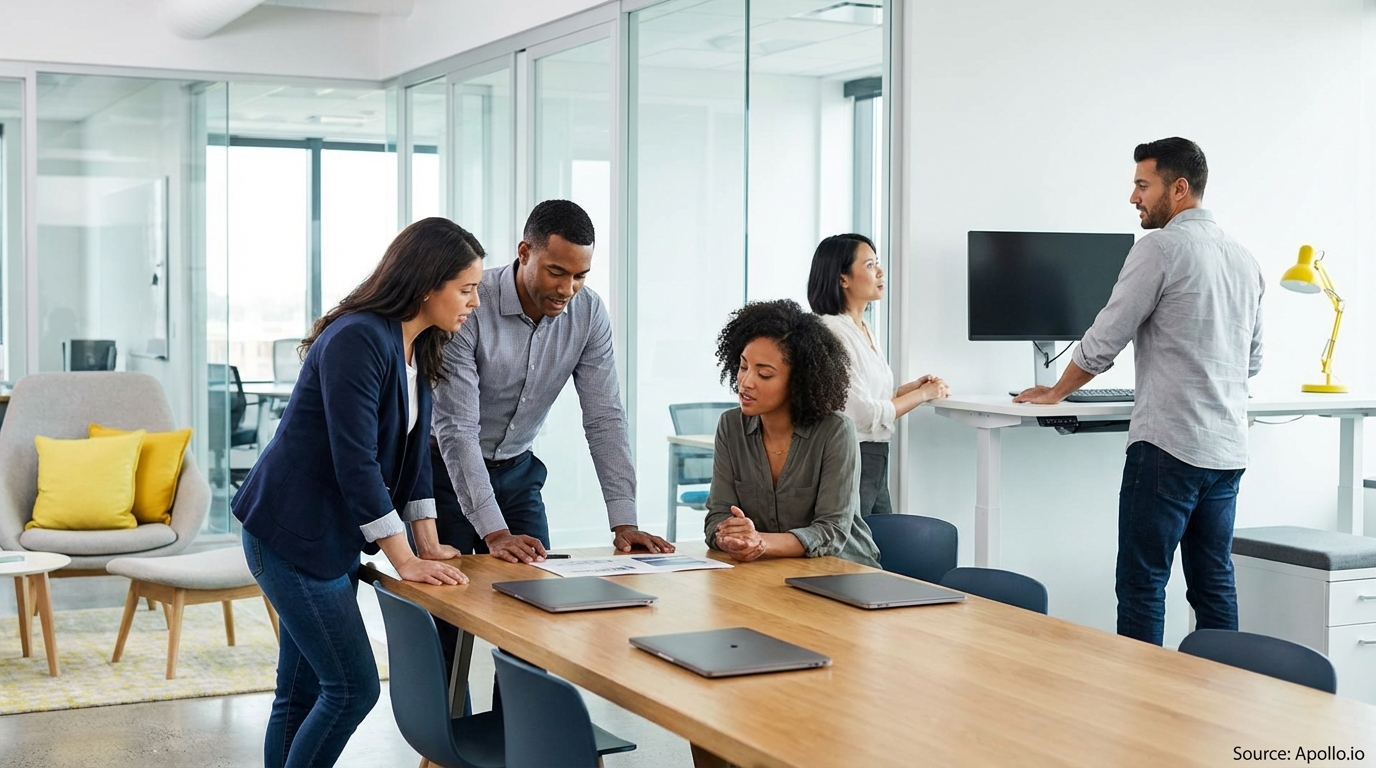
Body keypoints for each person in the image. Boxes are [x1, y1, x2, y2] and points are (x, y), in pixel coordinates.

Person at [233, 217, 480, 768]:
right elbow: (357, 461)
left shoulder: (417, 347)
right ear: (427, 284)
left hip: (330, 536)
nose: (476, 302)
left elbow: (414, 457)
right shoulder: (358, 338)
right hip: (289, 534)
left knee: (299, 694)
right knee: (352, 688)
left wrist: (427, 543)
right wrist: (404, 560)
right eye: (466, 289)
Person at [1014, 137, 1264, 646]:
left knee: (1143, 583)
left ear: (1179, 188)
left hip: (1169, 446)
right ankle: (1221, 686)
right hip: (1227, 451)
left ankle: (1142, 693)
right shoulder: (1244, 258)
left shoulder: (1159, 248)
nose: (1134, 197)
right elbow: (1252, 361)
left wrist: (1057, 391)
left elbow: (1106, 337)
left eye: (1142, 185)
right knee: (1213, 581)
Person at [430, 199, 674, 563]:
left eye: (580, 276)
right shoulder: (471, 305)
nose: (567, 289)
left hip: (517, 472)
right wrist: (496, 533)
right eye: (556, 272)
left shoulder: (588, 312)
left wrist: (625, 523)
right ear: (524, 252)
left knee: (538, 585)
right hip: (445, 472)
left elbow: (604, 417)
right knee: (452, 593)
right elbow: (458, 430)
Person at [703, 299, 881, 567]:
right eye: (743, 366)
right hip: (770, 569)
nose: (746, 382)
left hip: (842, 570)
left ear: (798, 381)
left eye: (764, 374)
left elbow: (831, 532)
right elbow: (717, 516)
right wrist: (730, 537)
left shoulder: (835, 432)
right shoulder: (731, 426)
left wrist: (760, 542)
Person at [807, 233, 951, 515]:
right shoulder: (832, 333)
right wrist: (923, 395)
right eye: (870, 265)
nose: (881, 272)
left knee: (879, 540)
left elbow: (872, 396)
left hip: (874, 457)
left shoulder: (862, 328)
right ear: (843, 279)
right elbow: (861, 413)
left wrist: (911, 389)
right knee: (856, 541)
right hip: (853, 457)